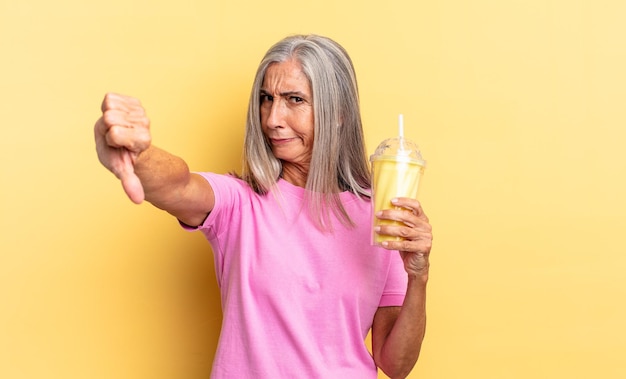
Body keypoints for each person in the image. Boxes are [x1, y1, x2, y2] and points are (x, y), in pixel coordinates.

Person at [95, 34, 432, 379]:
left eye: (294, 100)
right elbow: (178, 184)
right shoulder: (240, 204)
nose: (272, 118)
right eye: (266, 99)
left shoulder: (382, 216)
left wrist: (418, 275)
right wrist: (137, 152)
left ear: (339, 114)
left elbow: (396, 364)